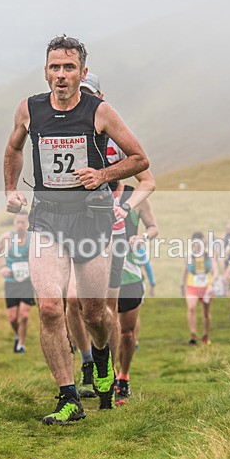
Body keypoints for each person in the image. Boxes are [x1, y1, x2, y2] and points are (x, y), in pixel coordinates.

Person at [3, 36, 150, 424]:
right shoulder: (29, 109)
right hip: (47, 216)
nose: (62, 75)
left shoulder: (100, 111)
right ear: (46, 71)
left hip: (92, 218)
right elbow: (14, 149)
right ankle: (68, 397)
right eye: (55, 67)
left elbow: (139, 158)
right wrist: (10, 189)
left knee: (94, 311)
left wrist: (102, 174)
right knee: (50, 307)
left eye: (69, 68)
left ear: (82, 73)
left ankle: (101, 358)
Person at [64, 72, 155, 400]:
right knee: (72, 301)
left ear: (100, 98)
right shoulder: (65, 134)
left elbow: (148, 179)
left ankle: (114, 375)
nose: (82, 98)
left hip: (111, 237)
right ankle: (89, 361)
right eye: (79, 92)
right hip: (74, 230)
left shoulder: (115, 139)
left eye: (89, 93)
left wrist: (125, 207)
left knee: (107, 311)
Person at [115, 191, 158, 404]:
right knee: (104, 330)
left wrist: (142, 237)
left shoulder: (136, 197)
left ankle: (123, 377)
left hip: (130, 274)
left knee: (127, 333)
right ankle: (109, 376)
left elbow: (153, 228)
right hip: (103, 273)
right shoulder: (97, 191)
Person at [0, 211, 35, 354]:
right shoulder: (6, 238)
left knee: (23, 316)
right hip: (11, 281)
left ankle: (21, 345)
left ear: (27, 223)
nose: (20, 225)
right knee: (13, 318)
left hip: (27, 282)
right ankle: (18, 335)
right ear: (14, 223)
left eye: (23, 222)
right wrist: (2, 267)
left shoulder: (33, 239)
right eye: (18, 222)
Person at [181, 232, 218, 345]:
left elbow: (215, 270)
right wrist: (181, 284)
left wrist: (211, 284)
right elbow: (185, 270)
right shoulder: (188, 255)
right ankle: (193, 335)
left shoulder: (209, 254)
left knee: (206, 312)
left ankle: (205, 335)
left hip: (206, 287)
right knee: (191, 308)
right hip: (192, 286)